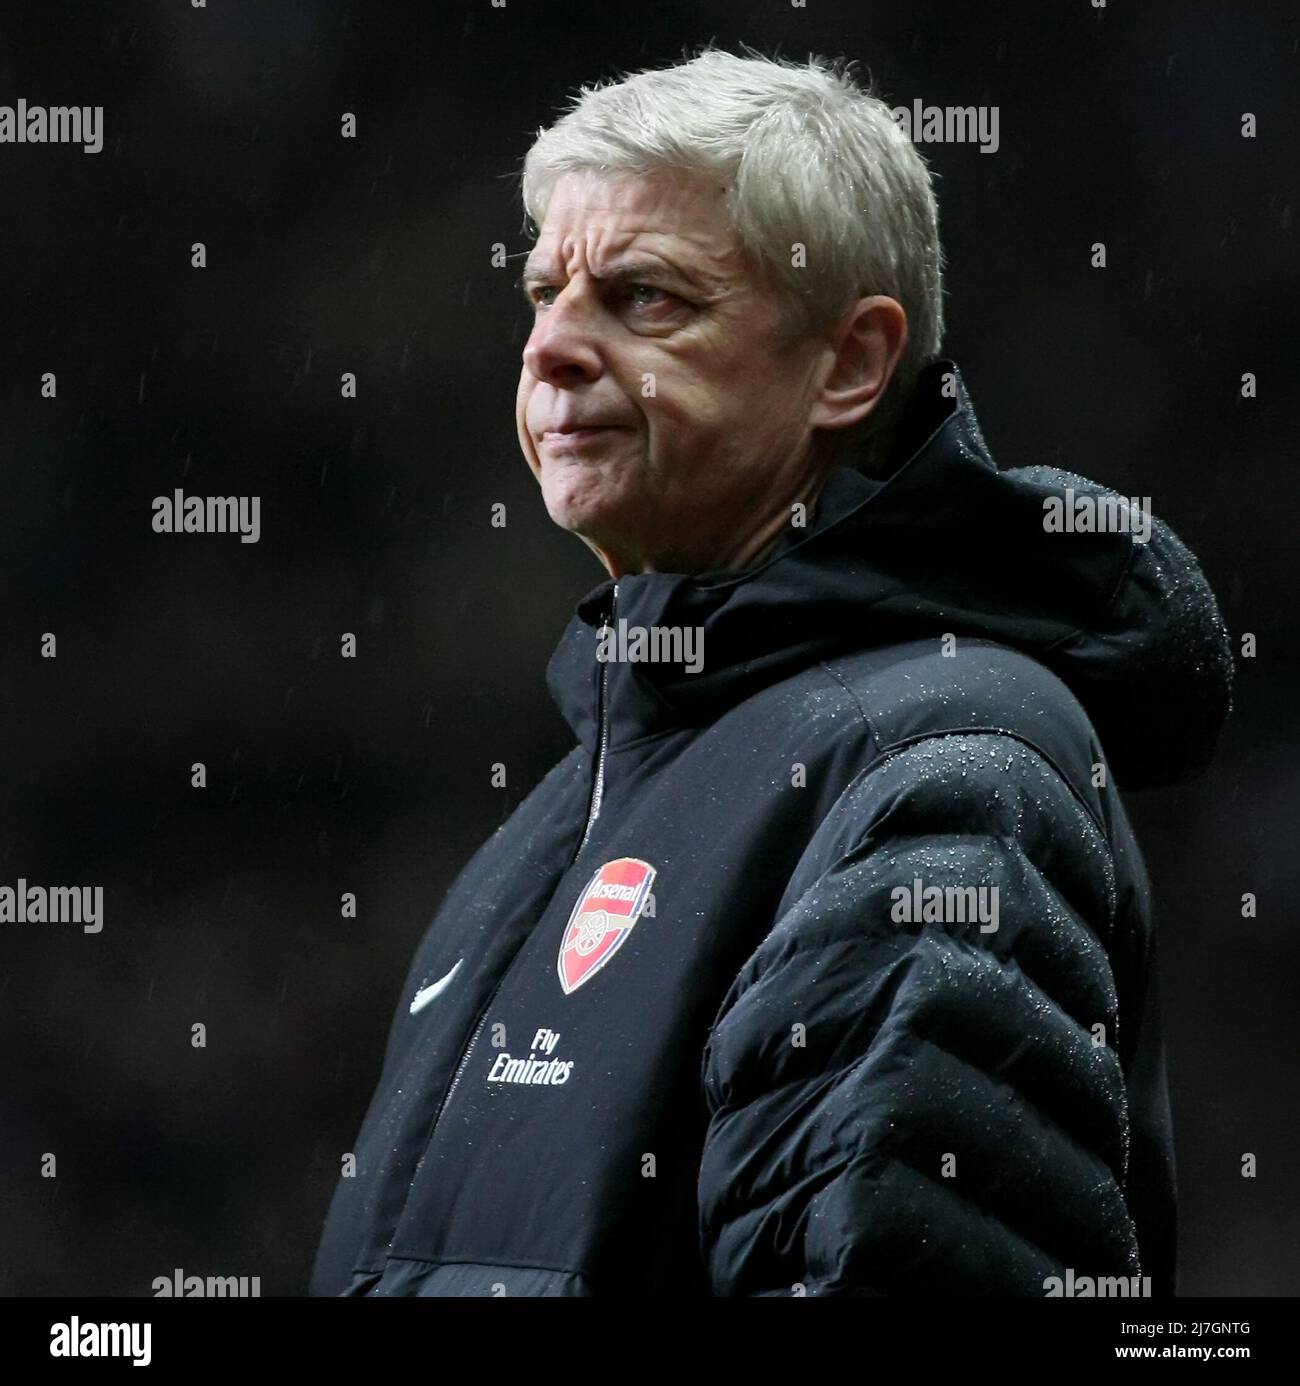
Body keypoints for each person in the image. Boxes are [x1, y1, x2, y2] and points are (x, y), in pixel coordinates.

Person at [310, 45, 1231, 1297]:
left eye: (642, 300)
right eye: (543, 293)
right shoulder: (575, 804)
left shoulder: (944, 764)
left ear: (847, 364)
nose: (551, 351)